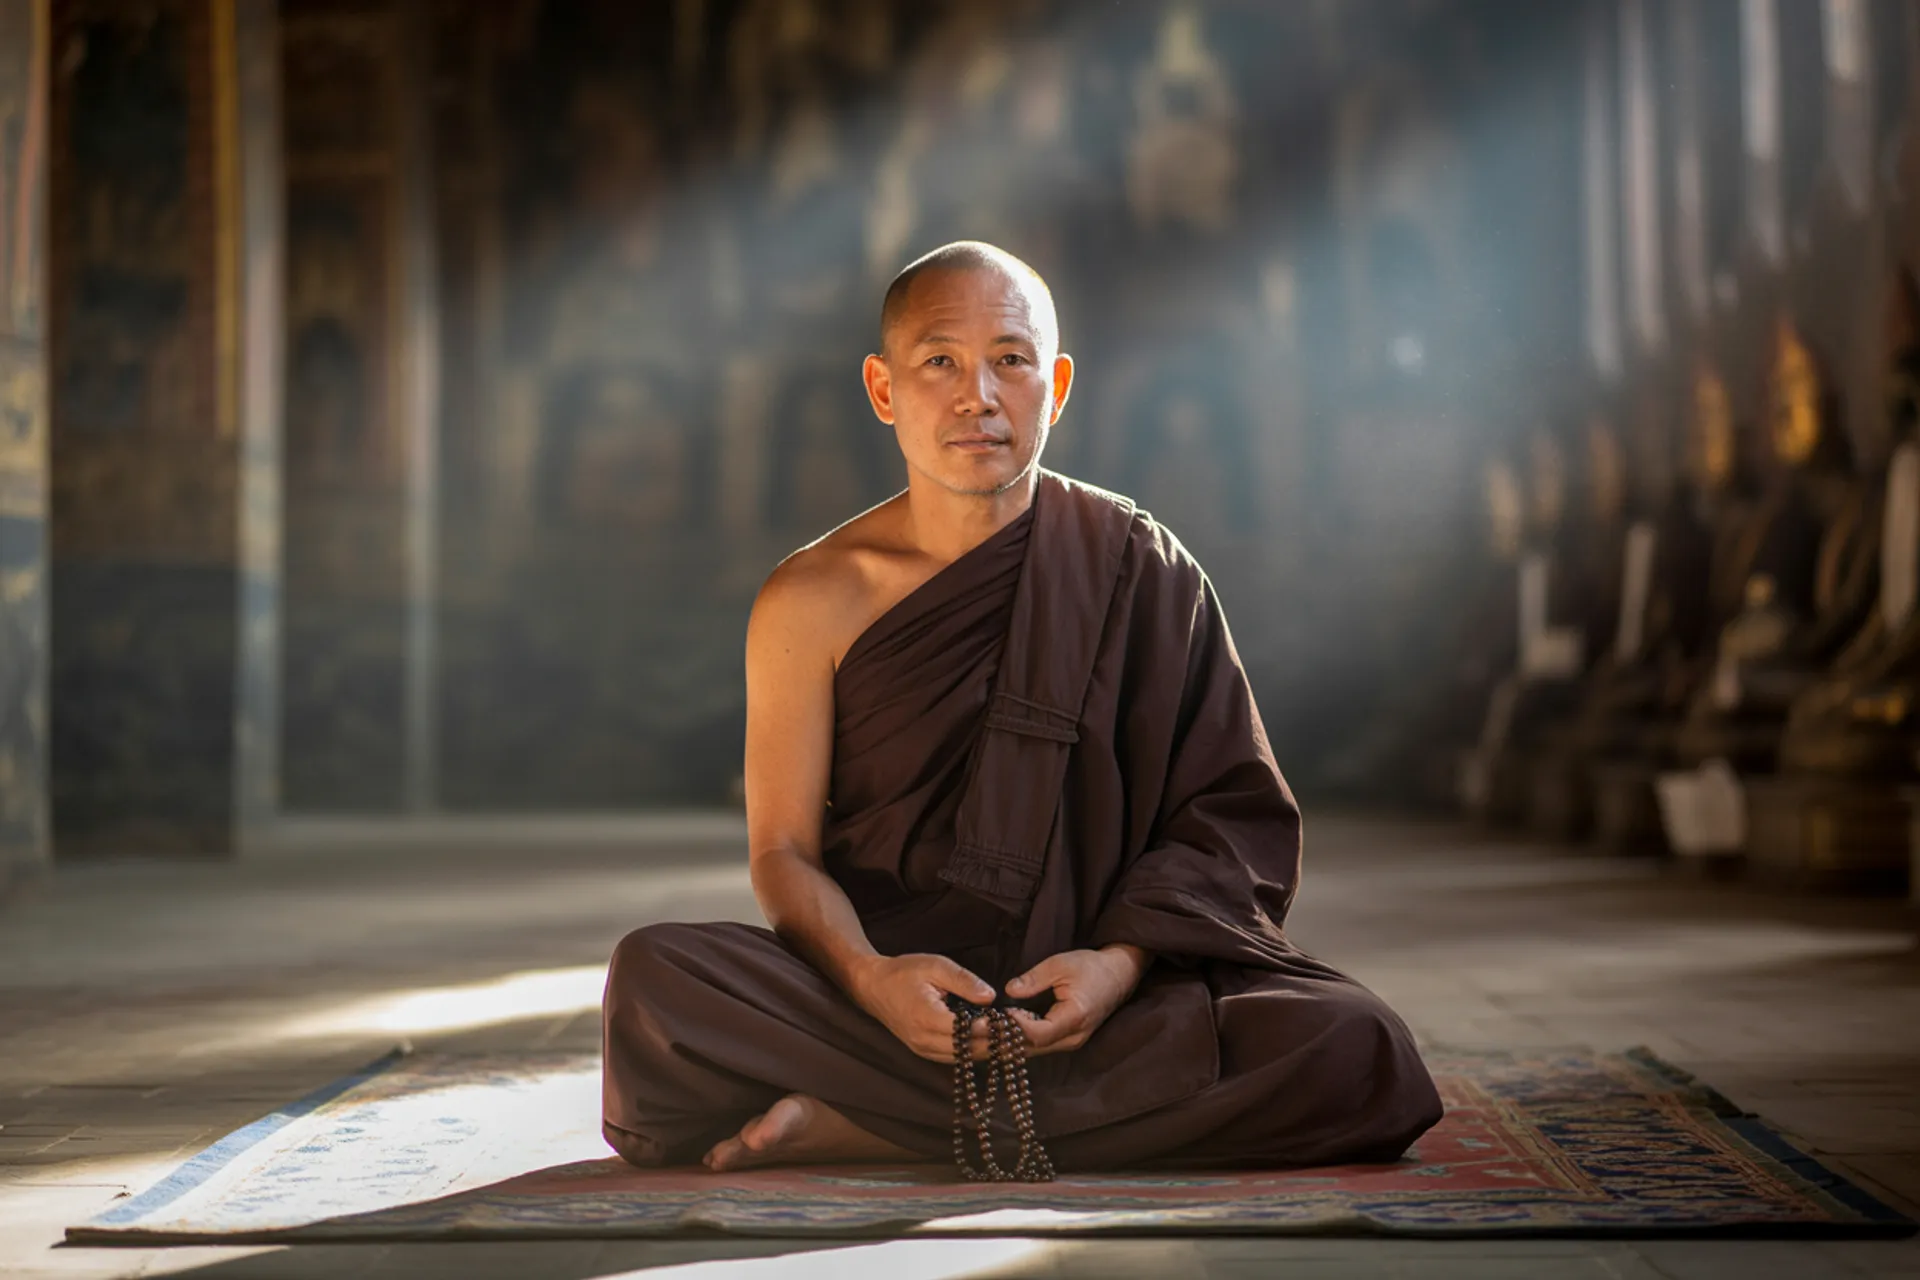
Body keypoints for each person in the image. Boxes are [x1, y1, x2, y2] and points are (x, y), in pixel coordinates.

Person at [601, 241, 1443, 1173]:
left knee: (1360, 1048)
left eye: (1010, 359)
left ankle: (874, 1124)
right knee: (655, 982)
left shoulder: (1141, 566)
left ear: (1058, 385)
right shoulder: (810, 597)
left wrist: (1117, 967)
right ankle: (999, 1114)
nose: (978, 396)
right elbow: (783, 852)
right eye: (939, 362)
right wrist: (872, 981)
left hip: (1091, 994)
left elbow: (1229, 823)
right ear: (883, 389)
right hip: (886, 988)